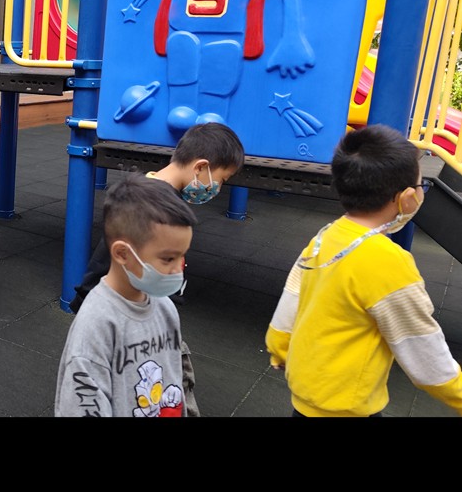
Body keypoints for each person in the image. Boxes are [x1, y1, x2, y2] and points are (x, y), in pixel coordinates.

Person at [266, 124, 462, 417]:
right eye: (422, 186)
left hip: (305, 400)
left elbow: (291, 300)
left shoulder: (324, 237)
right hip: (348, 408)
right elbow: (421, 347)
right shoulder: (388, 261)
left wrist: (279, 347)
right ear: (406, 197)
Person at [70, 121, 245, 416]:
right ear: (201, 167)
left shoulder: (158, 195)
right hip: (138, 320)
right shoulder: (151, 205)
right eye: (222, 179)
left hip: (154, 316)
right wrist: (88, 307)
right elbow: (104, 261)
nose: (218, 188)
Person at [55, 172, 198, 417]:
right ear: (122, 253)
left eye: (182, 257)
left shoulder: (166, 308)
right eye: (168, 259)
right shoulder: (96, 326)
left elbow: (175, 379)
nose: (179, 269)